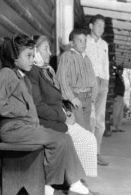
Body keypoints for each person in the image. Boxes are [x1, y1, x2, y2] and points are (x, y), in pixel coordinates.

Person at [0, 34, 90, 195]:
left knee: (64, 138)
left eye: (33, 55)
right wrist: (22, 109)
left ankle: (70, 182)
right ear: (14, 58)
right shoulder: (6, 74)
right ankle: (48, 185)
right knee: (59, 140)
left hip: (27, 128)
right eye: (28, 56)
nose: (32, 59)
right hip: (13, 129)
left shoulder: (23, 78)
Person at [26, 34, 98, 179]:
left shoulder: (47, 70)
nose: (50, 53)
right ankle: (74, 182)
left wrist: (65, 111)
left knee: (89, 138)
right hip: (47, 122)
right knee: (86, 140)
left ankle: (77, 181)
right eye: (46, 48)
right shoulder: (33, 72)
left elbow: (55, 99)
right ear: (35, 51)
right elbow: (38, 106)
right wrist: (63, 118)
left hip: (58, 116)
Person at [56, 29, 97, 131]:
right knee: (79, 130)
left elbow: (92, 79)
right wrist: (72, 98)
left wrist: (92, 98)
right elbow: (62, 79)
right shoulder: (67, 56)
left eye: (84, 41)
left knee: (87, 130)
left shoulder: (87, 59)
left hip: (87, 98)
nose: (83, 44)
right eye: (79, 40)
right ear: (72, 43)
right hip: (76, 98)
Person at [85, 14, 109, 166]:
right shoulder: (84, 40)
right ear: (91, 26)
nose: (101, 28)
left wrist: (106, 82)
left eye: (103, 26)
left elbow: (105, 64)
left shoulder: (104, 44)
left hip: (102, 83)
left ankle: (96, 154)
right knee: (90, 119)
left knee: (100, 121)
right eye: (99, 25)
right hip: (88, 82)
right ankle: (87, 153)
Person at [112, 65, 125, 133]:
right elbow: (113, 87)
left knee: (120, 113)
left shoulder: (121, 78)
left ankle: (119, 126)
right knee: (116, 112)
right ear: (117, 70)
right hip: (117, 96)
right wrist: (114, 96)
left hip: (121, 96)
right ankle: (114, 126)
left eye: (122, 70)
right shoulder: (115, 77)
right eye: (120, 70)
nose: (121, 71)